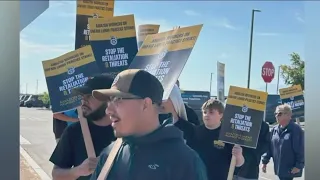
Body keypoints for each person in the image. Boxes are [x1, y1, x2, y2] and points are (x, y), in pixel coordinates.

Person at [90, 69, 208, 180]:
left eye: (117, 99)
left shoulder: (184, 160)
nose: (108, 110)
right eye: (109, 101)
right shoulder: (109, 154)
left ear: (145, 104)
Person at [49, 74, 116, 180]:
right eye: (83, 96)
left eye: (89, 95)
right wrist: (79, 170)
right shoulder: (74, 131)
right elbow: (56, 174)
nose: (83, 100)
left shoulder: (126, 131)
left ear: (109, 99)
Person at [173, 98, 245, 180]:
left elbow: (239, 164)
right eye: (205, 112)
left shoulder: (229, 135)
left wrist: (239, 155)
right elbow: (174, 116)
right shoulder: (194, 132)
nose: (207, 115)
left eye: (211, 112)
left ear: (221, 115)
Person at [261, 104, 304, 180]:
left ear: (288, 115)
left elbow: (301, 149)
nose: (276, 116)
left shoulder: (295, 130)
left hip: (290, 169)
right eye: (275, 114)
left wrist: (299, 165)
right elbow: (269, 148)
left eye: (279, 114)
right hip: (279, 168)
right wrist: (265, 161)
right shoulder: (274, 130)